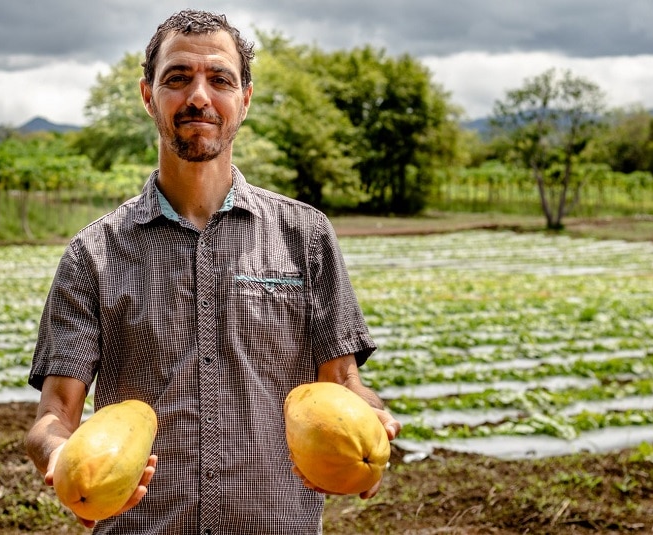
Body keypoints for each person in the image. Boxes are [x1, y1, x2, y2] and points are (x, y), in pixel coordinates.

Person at [24, 9, 401, 534]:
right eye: (177, 78)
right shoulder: (93, 253)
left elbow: (344, 385)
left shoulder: (307, 237)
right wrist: (59, 458)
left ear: (244, 99)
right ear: (147, 95)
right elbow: (55, 415)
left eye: (219, 79)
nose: (198, 96)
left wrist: (374, 424)